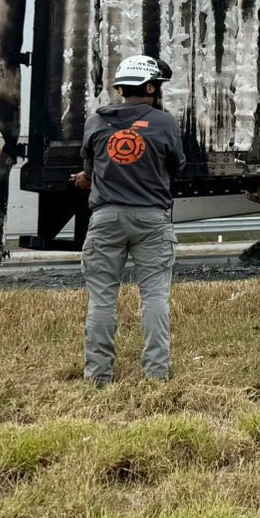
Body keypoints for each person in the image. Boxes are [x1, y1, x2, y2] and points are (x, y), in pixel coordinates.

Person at [72, 54, 185, 385]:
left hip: (105, 219)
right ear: (148, 87)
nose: (158, 91)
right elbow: (176, 166)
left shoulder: (96, 123)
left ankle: (98, 377)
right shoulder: (164, 123)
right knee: (154, 297)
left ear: (122, 88)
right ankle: (157, 375)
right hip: (151, 220)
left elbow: (90, 171)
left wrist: (88, 179)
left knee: (102, 300)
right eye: (157, 86)